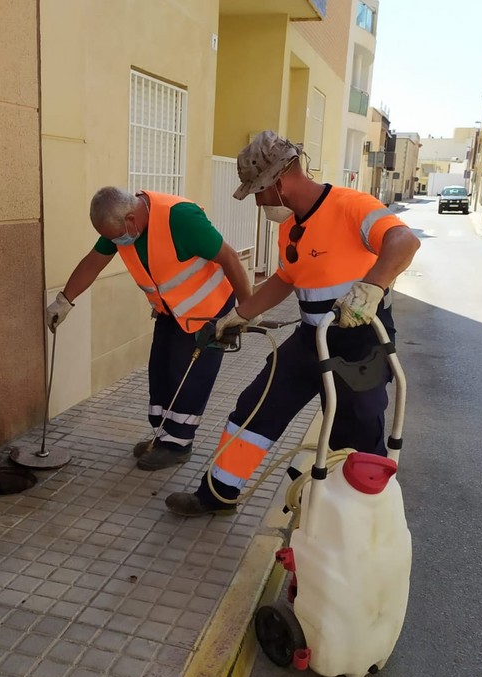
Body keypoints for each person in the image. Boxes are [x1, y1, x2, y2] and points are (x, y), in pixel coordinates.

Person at [165, 131, 421, 516]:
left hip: (361, 341)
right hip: (310, 339)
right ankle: (217, 495)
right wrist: (241, 313)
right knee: (255, 409)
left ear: (279, 182)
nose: (257, 201)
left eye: (258, 192)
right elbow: (286, 278)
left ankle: (359, 520)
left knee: (357, 431)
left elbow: (403, 241)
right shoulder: (290, 226)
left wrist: (370, 289)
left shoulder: (352, 205)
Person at [47, 186, 253, 471]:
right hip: (172, 312)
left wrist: (244, 312)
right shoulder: (121, 226)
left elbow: (229, 258)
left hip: (210, 312)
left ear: (131, 219)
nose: (115, 242)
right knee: (162, 371)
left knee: (189, 378)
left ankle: (178, 445)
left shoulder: (181, 218)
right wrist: (64, 301)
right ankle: (162, 435)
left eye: (116, 236)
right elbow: (94, 262)